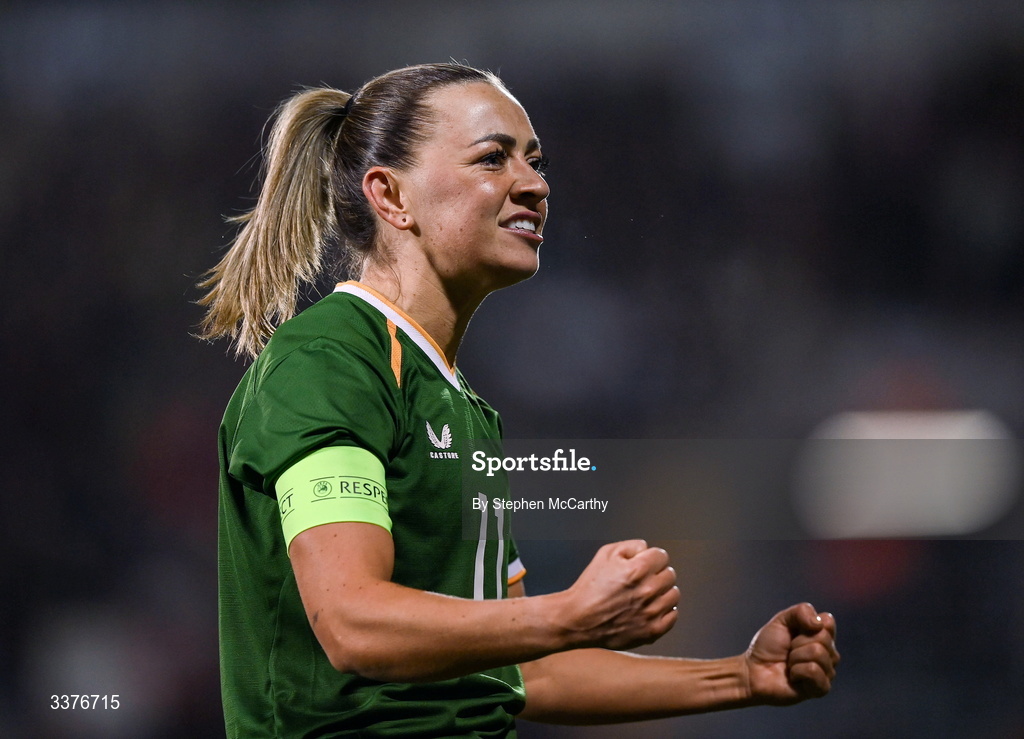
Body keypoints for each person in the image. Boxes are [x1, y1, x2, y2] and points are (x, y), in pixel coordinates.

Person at [198, 62, 839, 738]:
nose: (534, 184)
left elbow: (525, 672)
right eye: (492, 158)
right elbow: (352, 621)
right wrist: (567, 612)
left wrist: (741, 676)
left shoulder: (461, 406)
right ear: (391, 197)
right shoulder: (331, 361)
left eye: (534, 161)